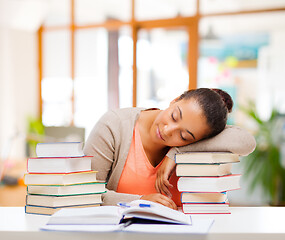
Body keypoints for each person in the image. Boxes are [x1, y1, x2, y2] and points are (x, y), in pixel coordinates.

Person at [83, 88, 244, 210]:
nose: (167, 131)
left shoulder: (190, 144)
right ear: (174, 100)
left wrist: (175, 153)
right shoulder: (115, 125)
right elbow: (84, 193)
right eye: (174, 116)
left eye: (183, 136)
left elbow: (245, 142)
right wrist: (140, 201)